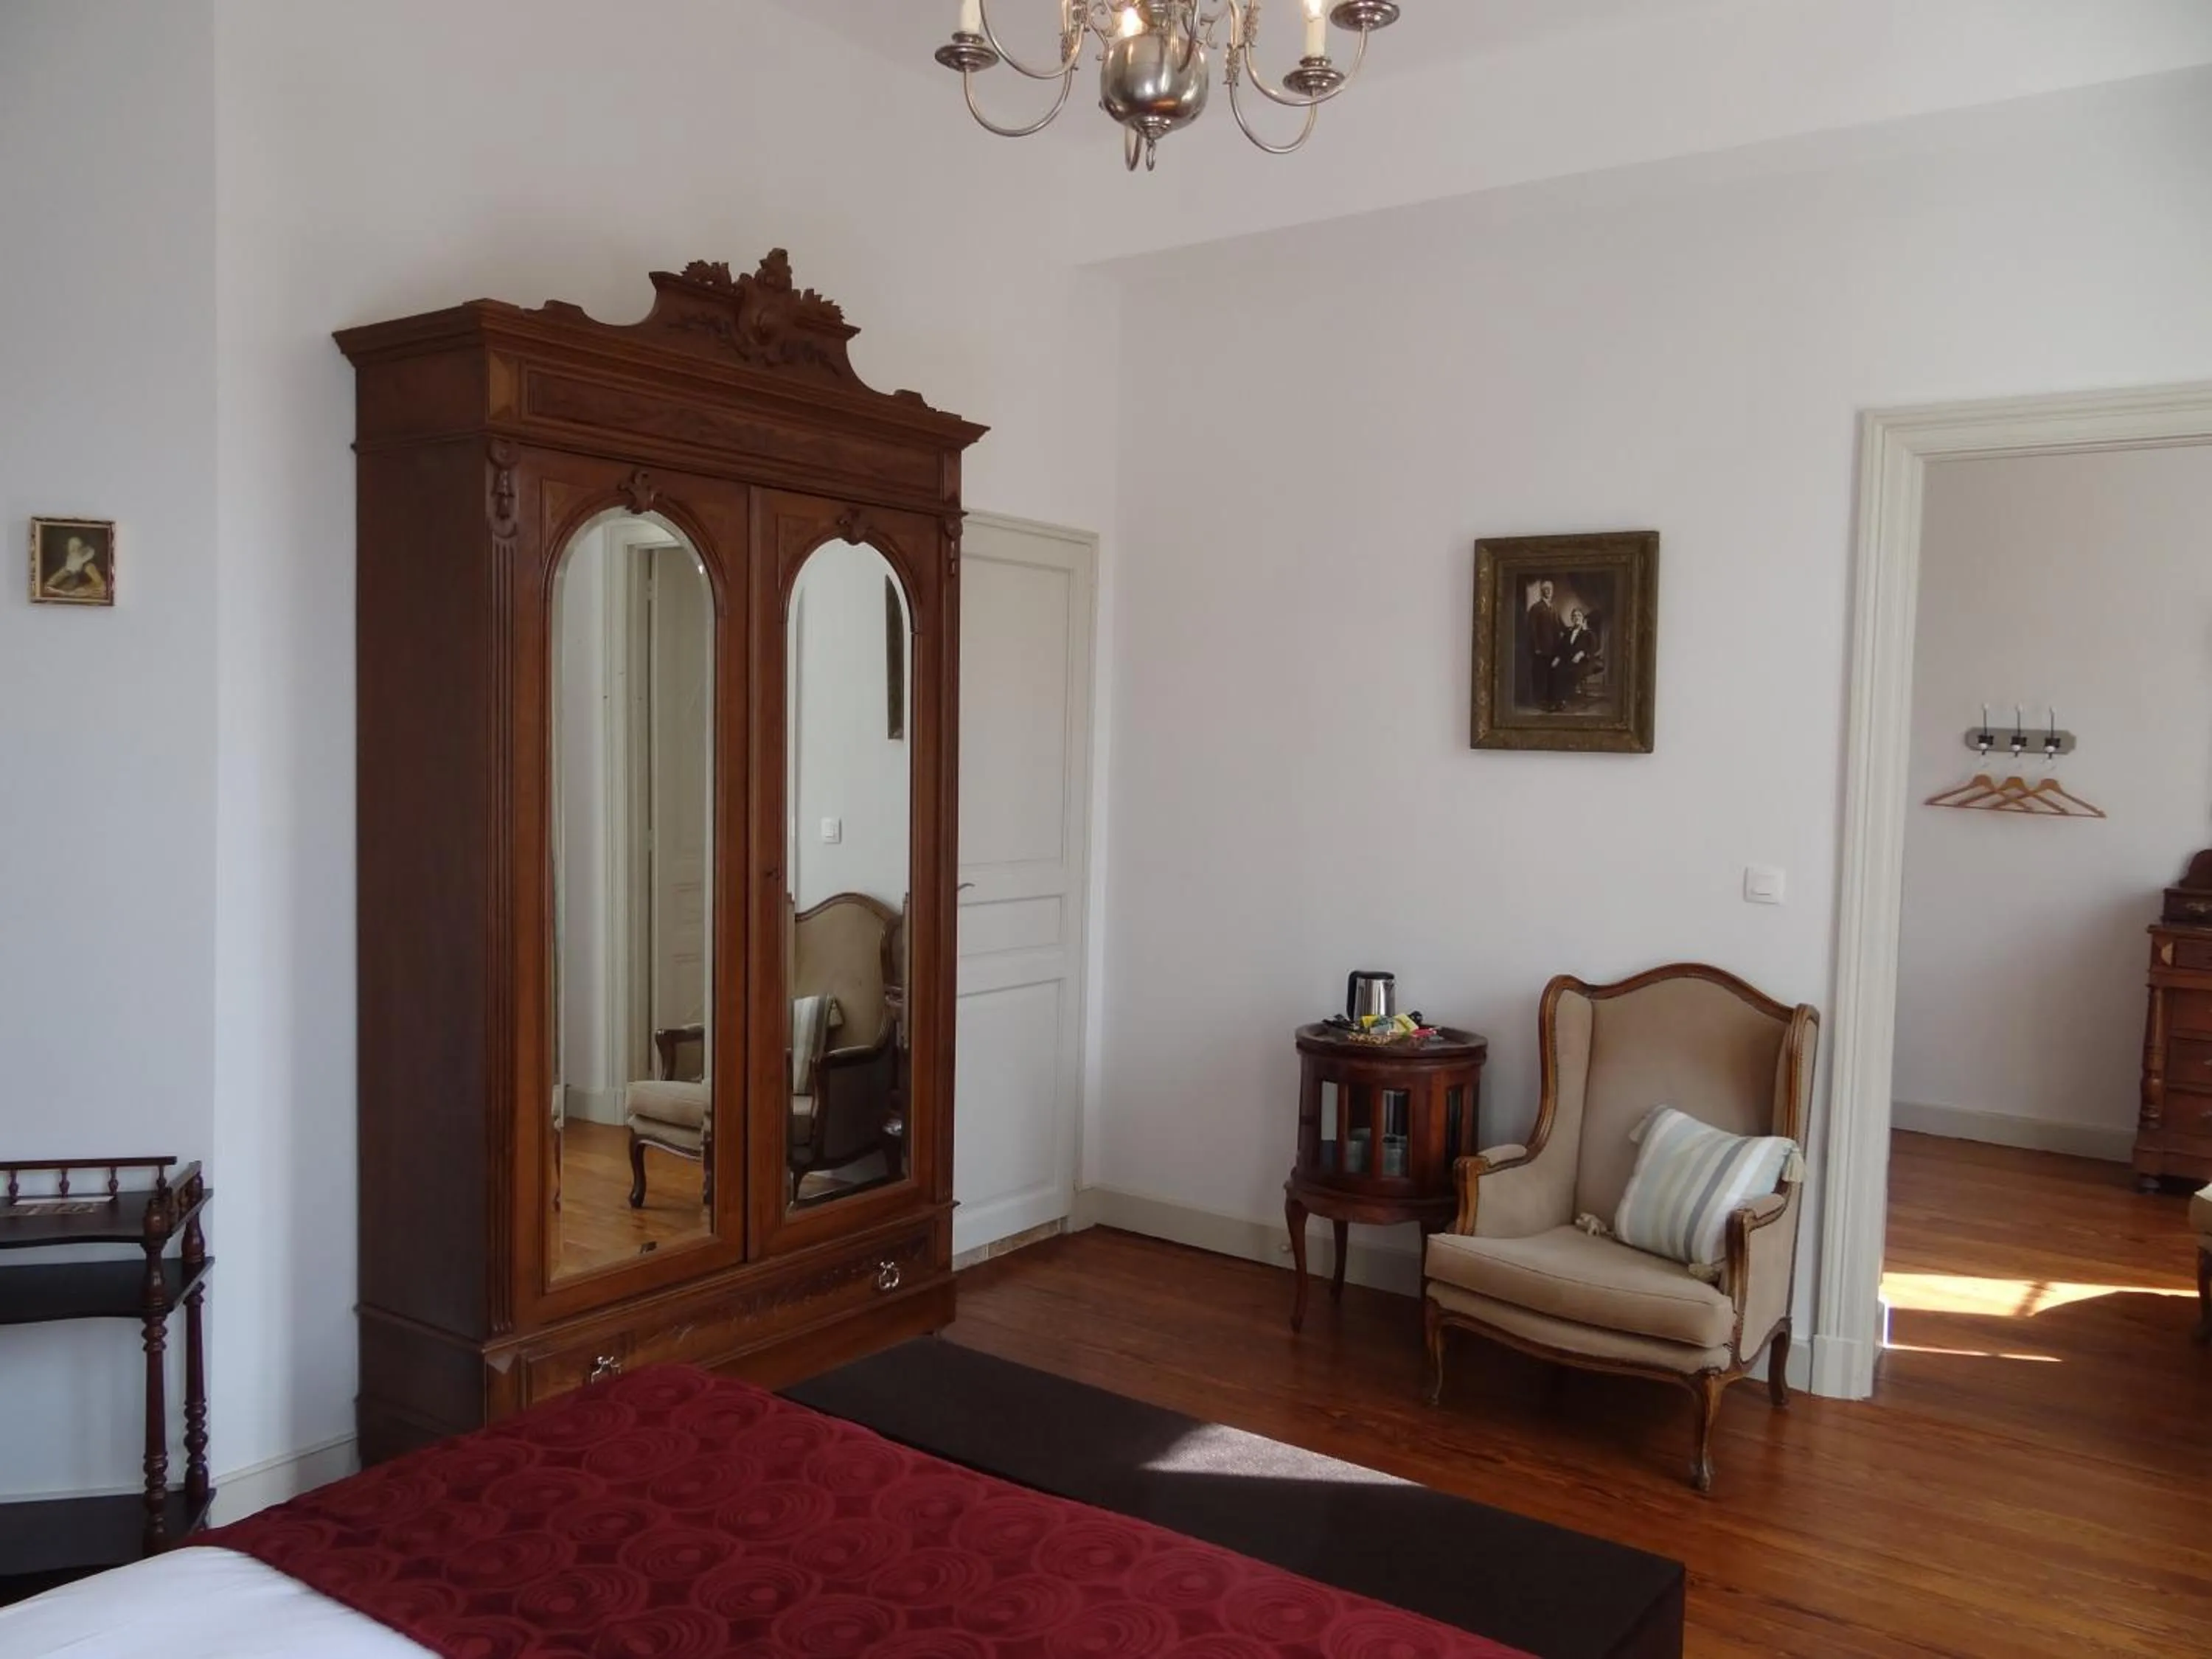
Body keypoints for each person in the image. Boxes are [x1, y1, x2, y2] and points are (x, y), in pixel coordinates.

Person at [1525, 579, 1561, 710]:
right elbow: (1532, 629)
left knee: (1552, 675)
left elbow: (1559, 627)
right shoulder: (1536, 608)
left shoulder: (1554, 608)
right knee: (1541, 675)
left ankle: (1551, 701)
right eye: (1545, 589)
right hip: (1541, 649)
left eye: (1550, 589)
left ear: (1553, 592)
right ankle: (1541, 702)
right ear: (1542, 592)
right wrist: (1537, 647)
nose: (1548, 592)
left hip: (1553, 649)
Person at [1554, 605, 1596, 706]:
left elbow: (1592, 649)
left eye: (1579, 616)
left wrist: (1582, 653)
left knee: (1571, 672)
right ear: (1572, 619)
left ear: (1583, 618)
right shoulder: (1568, 633)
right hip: (1568, 660)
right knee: (1557, 670)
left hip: (1582, 662)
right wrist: (1557, 658)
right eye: (1574, 616)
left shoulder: (1588, 634)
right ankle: (1557, 699)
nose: (1576, 618)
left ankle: (1563, 700)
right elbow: (1561, 648)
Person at [45, 535, 106, 599]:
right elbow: (61, 574)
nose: (72, 550)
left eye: (75, 548)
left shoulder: (89, 566)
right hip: (74, 592)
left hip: (87, 594)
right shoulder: (73, 562)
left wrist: (84, 590)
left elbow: (101, 586)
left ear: (81, 549)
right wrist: (49, 584)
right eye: (71, 548)